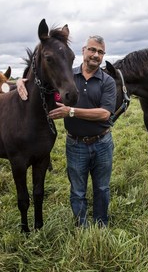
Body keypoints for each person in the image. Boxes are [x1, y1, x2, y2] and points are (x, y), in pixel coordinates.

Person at [17, 35, 116, 227]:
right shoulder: (66, 77)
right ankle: (82, 225)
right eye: (92, 50)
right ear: (83, 51)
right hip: (76, 144)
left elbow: (105, 114)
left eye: (100, 52)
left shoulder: (107, 81)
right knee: (77, 190)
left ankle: (101, 224)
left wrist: (70, 111)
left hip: (102, 142)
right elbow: (40, 85)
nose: (96, 55)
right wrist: (21, 82)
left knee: (102, 188)